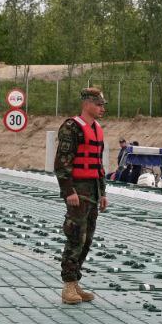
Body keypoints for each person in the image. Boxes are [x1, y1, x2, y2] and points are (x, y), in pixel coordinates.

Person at [54, 87, 109, 305]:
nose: (102, 108)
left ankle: (76, 281)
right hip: (78, 190)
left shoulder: (97, 129)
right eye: (98, 104)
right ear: (86, 104)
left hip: (93, 192)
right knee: (75, 236)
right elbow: (62, 163)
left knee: (87, 240)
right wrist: (69, 191)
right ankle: (68, 285)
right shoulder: (71, 128)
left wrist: (103, 192)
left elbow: (98, 165)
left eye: (102, 105)